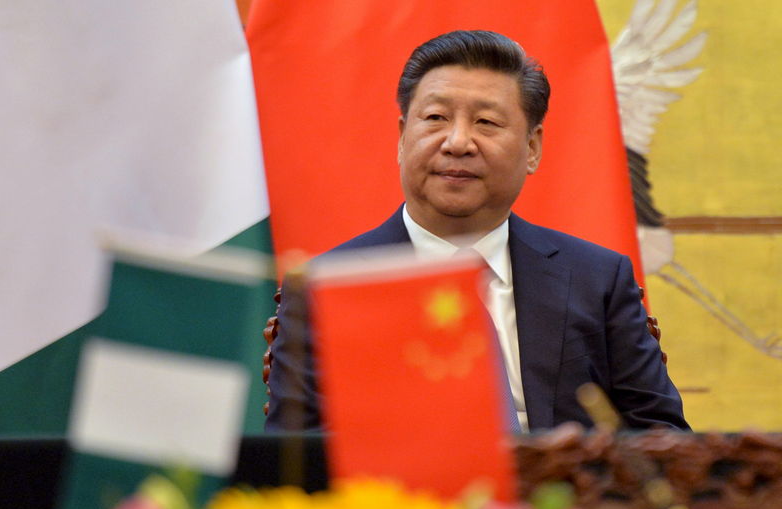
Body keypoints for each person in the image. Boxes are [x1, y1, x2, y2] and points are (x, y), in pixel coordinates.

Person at [266, 30, 689, 432]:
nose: (458, 142)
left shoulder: (596, 279)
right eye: (435, 117)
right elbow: (295, 458)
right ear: (400, 138)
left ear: (531, 148)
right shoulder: (329, 286)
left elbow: (661, 437)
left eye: (486, 122)